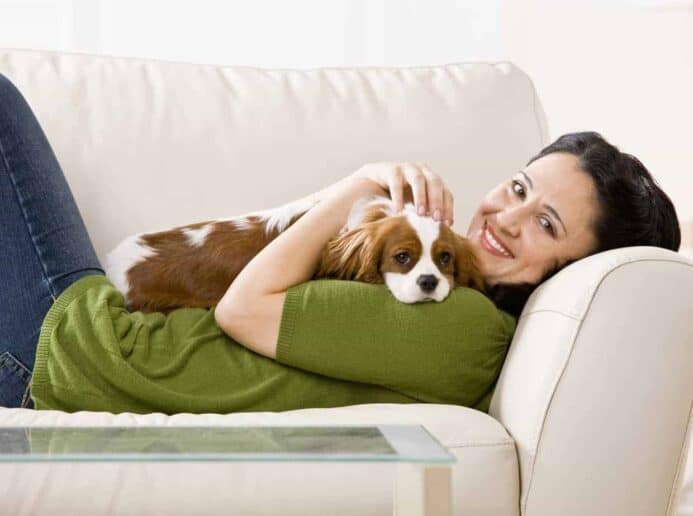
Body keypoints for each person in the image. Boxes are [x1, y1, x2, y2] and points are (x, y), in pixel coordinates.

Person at [0, 72, 681, 413]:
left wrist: (357, 187)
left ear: (579, 272)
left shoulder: (460, 328)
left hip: (74, 353)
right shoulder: (454, 306)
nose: (506, 216)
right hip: (86, 346)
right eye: (518, 186)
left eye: (546, 225)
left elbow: (242, 310)